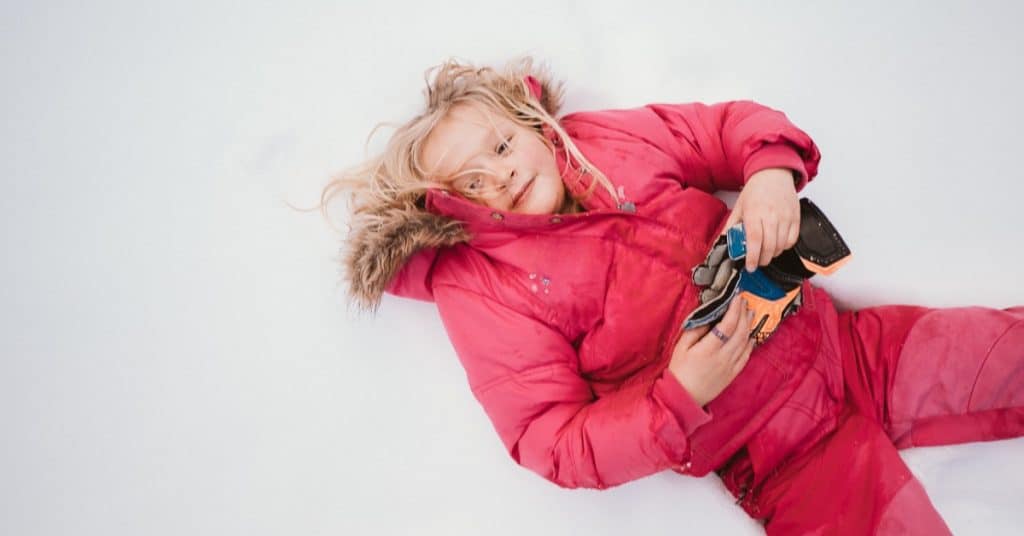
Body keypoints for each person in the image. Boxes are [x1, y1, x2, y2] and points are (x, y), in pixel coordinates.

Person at [323, 57, 1024, 534]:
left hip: (846, 345)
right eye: (471, 182)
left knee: (1001, 352)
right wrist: (677, 396)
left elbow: (723, 128)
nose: (499, 179)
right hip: (775, 451)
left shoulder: (606, 142)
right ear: (447, 208)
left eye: (501, 149)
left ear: (531, 123)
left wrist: (770, 173)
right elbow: (551, 440)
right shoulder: (483, 287)